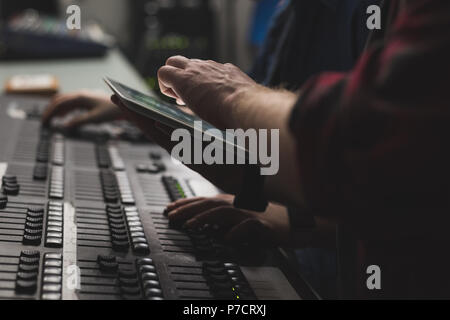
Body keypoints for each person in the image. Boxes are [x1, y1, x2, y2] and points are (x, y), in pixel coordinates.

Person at [111, 0, 450, 298]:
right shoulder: (292, 12)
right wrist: (149, 109)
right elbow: (254, 128)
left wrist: (297, 219)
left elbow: (389, 159)